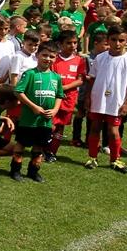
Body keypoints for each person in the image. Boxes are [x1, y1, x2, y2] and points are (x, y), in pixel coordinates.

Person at [83, 27, 127, 173]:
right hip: (98, 98)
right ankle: (92, 157)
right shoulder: (100, 58)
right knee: (94, 127)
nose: (117, 43)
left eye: (121, 40)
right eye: (114, 40)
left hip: (117, 101)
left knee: (113, 131)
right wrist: (89, 97)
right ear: (108, 40)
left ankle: (115, 160)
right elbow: (92, 79)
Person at [11, 42, 64, 183]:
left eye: (52, 56)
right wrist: (33, 106)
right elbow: (18, 91)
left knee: (39, 146)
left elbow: (59, 95)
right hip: (28, 119)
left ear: (56, 58)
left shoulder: (56, 78)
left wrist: (55, 110)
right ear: (37, 55)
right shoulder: (30, 74)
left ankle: (33, 171)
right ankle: (15, 170)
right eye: (44, 55)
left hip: (45, 121)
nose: (48, 59)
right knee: (21, 143)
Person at [48, 30, 87, 160]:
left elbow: (80, 80)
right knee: (50, 125)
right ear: (60, 44)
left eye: (75, 42)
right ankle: (44, 150)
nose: (73, 45)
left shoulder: (79, 60)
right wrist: (58, 90)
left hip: (69, 99)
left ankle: (53, 152)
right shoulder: (54, 59)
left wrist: (64, 88)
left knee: (60, 126)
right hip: (53, 97)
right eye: (69, 43)